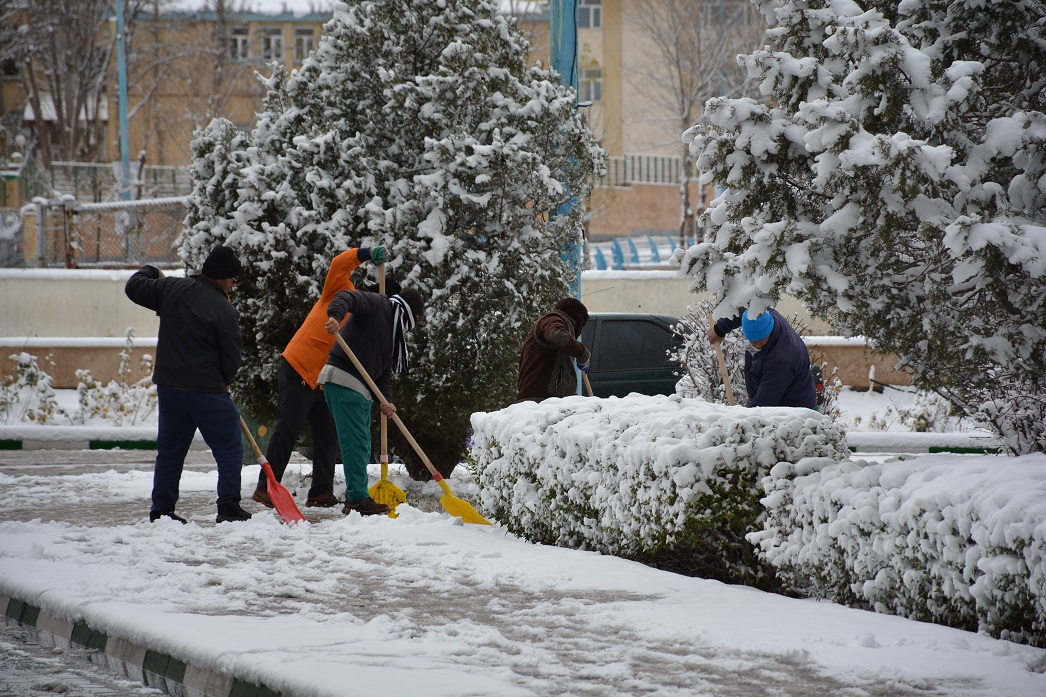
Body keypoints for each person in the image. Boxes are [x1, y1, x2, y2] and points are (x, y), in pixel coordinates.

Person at [251, 246, 389, 510]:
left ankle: (321, 491)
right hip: (299, 367)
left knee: (329, 434)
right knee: (288, 429)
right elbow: (339, 263)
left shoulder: (370, 323)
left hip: (326, 378)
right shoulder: (341, 289)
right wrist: (365, 253)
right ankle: (265, 487)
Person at [125, 245, 252, 524]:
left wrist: (152, 271)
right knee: (229, 448)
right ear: (221, 277)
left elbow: (133, 286)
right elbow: (232, 354)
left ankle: (162, 510)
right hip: (206, 391)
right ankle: (229, 506)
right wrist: (227, 380)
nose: (234, 283)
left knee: (170, 452)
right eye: (233, 278)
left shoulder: (170, 288)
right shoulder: (223, 308)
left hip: (170, 389)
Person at [320, 285, 425, 516]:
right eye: (415, 318)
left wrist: (386, 401)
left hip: (358, 388)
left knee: (362, 443)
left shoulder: (392, 334)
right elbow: (346, 296)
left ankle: (356, 497)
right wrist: (336, 317)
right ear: (409, 312)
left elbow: (383, 373)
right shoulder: (379, 304)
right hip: (343, 379)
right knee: (355, 443)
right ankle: (357, 499)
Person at [708, 308, 817, 409]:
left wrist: (740, 420)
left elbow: (763, 405)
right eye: (752, 341)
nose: (757, 345)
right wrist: (719, 329)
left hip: (797, 416)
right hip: (780, 406)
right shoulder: (764, 312)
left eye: (761, 340)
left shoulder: (780, 360)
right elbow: (743, 312)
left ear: (769, 330)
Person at [515, 297, 591, 402]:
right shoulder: (554, 319)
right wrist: (582, 352)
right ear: (578, 320)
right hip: (541, 400)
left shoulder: (552, 321)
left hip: (544, 398)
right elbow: (557, 336)